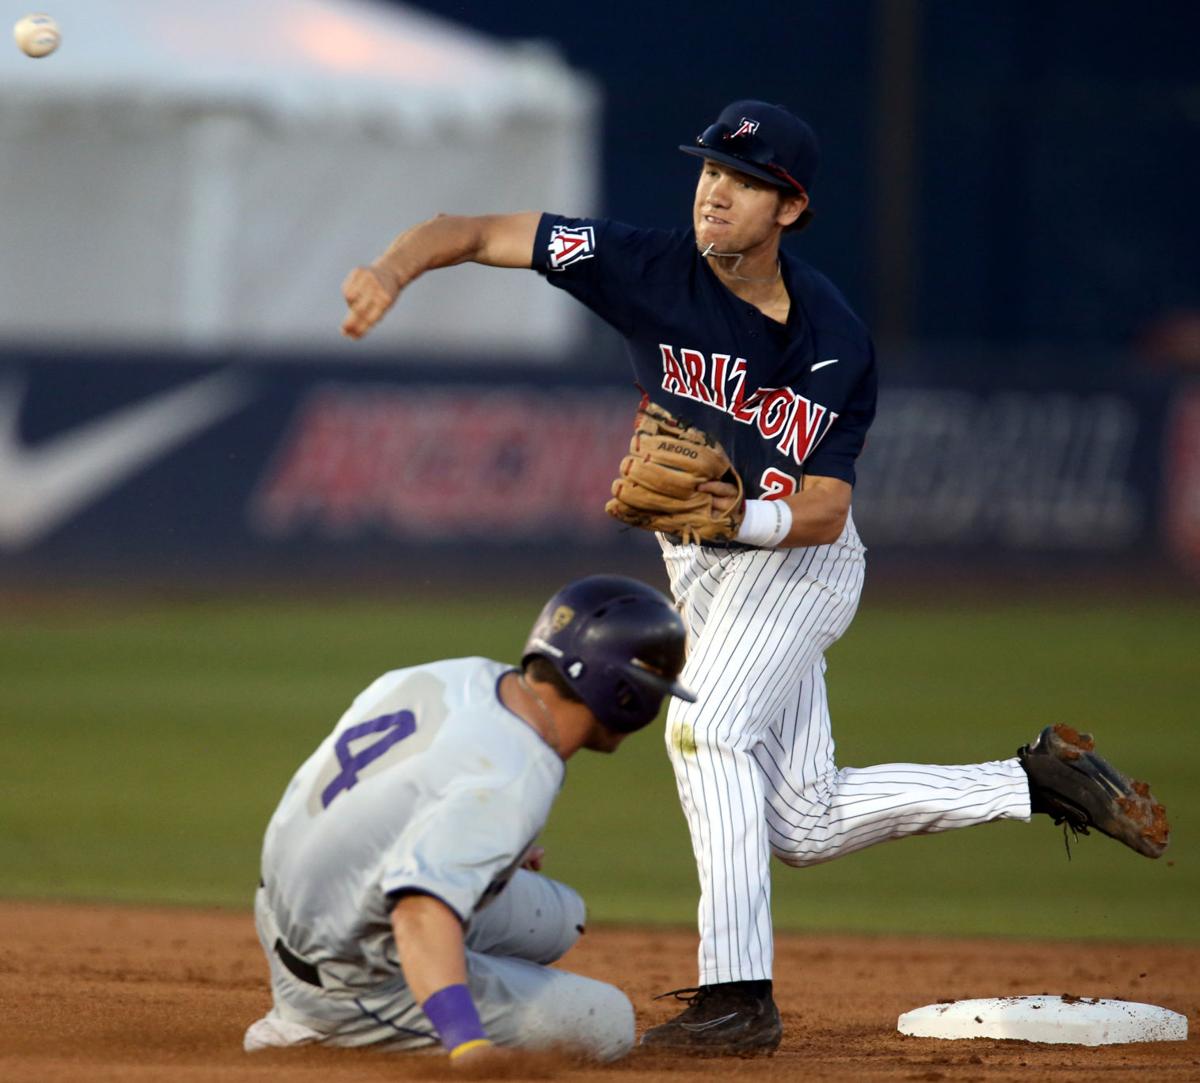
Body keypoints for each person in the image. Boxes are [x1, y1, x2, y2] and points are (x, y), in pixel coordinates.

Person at [338, 99, 1170, 1055]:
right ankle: (1032, 781)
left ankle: (738, 998)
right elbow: (477, 230)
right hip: (700, 573)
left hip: (799, 565)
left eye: (742, 182)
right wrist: (391, 270)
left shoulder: (831, 338)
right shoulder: (643, 267)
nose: (714, 194)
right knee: (802, 821)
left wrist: (734, 513)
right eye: (707, 174)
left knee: (703, 724)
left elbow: (823, 507)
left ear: (790, 207)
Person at [244, 574, 696, 1065]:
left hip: (289, 902)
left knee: (562, 918)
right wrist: (468, 1043)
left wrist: (481, 846)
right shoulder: (510, 779)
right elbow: (418, 911)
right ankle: (314, 1026)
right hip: (349, 972)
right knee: (608, 1022)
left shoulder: (458, 676)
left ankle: (436, 971)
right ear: (626, 695)